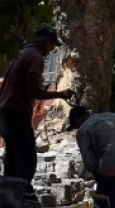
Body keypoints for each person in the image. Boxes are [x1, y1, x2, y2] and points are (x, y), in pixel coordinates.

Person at [0, 26, 74, 190]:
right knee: (27, 156)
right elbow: (33, 91)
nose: (52, 50)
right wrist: (60, 94)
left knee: (12, 153)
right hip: (17, 110)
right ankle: (23, 192)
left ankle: (8, 192)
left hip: (5, 109)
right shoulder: (35, 58)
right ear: (46, 43)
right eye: (52, 45)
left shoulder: (22, 53)